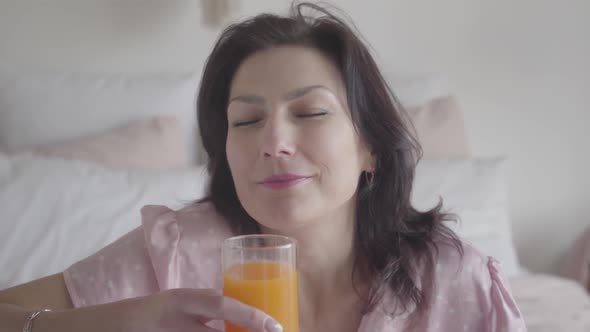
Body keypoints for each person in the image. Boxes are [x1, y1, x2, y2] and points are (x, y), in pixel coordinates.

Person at [0, 3, 527, 331]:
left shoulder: (459, 283)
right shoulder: (177, 254)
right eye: (246, 120)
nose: (273, 142)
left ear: (370, 145)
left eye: (311, 112)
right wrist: (113, 321)